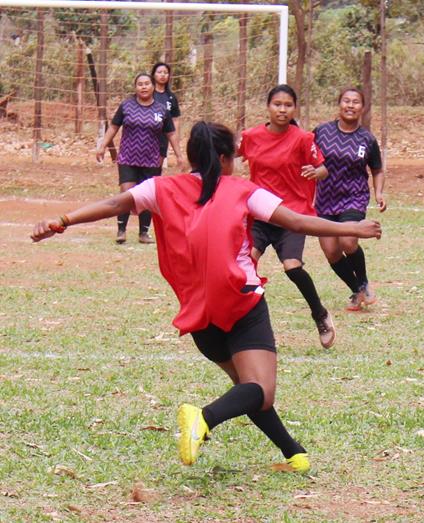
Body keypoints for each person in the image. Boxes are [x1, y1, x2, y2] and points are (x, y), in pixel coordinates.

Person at [32, 121, 382, 471]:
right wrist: (353, 227)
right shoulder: (243, 190)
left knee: (246, 391)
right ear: (226, 158)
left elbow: (113, 203)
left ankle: (295, 454)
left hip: (200, 314)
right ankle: (203, 417)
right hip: (241, 303)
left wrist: (62, 221)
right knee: (260, 390)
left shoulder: (160, 188)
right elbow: (297, 222)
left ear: (191, 157)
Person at [238, 84, 336, 348]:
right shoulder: (251, 136)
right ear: (268, 107)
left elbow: (323, 168)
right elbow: (228, 155)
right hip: (259, 213)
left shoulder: (302, 138)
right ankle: (239, 324)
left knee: (292, 267)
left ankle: (320, 313)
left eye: (287, 105)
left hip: (292, 215)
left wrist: (317, 173)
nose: (282, 109)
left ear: (294, 108)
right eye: (277, 104)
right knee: (245, 267)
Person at [314, 87, 386, 311]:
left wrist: (379, 192)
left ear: (362, 108)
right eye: (346, 101)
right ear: (339, 104)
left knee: (347, 240)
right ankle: (356, 290)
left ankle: (364, 282)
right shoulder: (321, 132)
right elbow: (305, 156)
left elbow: (377, 169)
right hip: (325, 197)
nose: (351, 105)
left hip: (354, 197)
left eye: (356, 102)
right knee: (331, 251)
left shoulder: (367, 139)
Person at [96, 73, 186, 244]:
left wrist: (179, 155)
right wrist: (102, 146)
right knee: (127, 193)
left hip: (151, 160)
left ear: (152, 87)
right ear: (135, 87)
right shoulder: (126, 106)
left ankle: (143, 233)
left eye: (146, 84)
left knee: (147, 196)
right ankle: (121, 231)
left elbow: (171, 133)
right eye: (140, 84)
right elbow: (114, 127)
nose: (143, 87)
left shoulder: (161, 110)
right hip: (128, 157)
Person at [151, 62, 181, 167]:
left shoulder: (171, 97)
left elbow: (175, 120)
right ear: (154, 75)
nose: (163, 75)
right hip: (146, 137)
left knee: (155, 172)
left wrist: (175, 138)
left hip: (162, 140)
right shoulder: (147, 94)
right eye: (159, 72)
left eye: (165, 72)